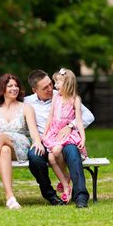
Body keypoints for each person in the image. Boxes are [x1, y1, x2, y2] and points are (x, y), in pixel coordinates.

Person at [0, 73, 44, 209]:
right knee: (4, 149)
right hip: (0, 148)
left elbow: (33, 131)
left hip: (20, 146)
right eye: (10, 85)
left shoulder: (26, 108)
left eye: (16, 85)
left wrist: (38, 141)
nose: (14, 88)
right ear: (2, 89)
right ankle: (10, 198)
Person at [25, 69, 95, 208]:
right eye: (45, 87)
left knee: (73, 152)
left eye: (51, 84)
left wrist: (70, 125)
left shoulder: (63, 94)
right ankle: (51, 195)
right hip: (44, 140)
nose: (51, 88)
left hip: (65, 138)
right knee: (34, 156)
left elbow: (88, 116)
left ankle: (81, 196)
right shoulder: (27, 102)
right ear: (34, 90)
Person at [42, 68, 87, 203]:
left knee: (55, 151)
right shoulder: (56, 97)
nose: (55, 86)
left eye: (58, 82)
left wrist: (83, 138)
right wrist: (44, 134)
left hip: (67, 133)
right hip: (55, 131)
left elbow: (79, 119)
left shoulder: (75, 99)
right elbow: (50, 116)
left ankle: (66, 179)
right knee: (51, 156)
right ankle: (66, 184)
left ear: (67, 83)